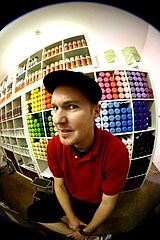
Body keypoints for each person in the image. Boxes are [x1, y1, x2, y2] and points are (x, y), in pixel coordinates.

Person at [27, 70, 130, 240]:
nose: (58, 120)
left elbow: (108, 202)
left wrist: (87, 231)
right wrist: (72, 220)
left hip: (93, 202)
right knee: (33, 212)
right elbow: (59, 186)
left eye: (72, 106)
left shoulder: (116, 151)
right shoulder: (54, 145)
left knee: (90, 226)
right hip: (69, 193)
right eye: (55, 108)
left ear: (95, 111)